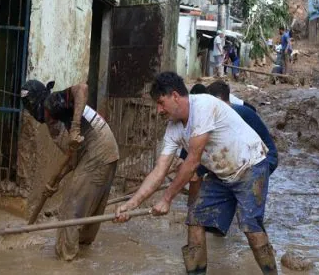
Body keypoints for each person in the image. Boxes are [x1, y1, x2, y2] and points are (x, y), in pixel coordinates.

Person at [114, 72, 277, 275]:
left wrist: (166, 199)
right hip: (221, 174)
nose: (158, 110)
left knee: (251, 228)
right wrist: (132, 204)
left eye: (160, 103)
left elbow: (192, 163)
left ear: (175, 96)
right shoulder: (173, 129)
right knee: (195, 219)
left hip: (251, 165)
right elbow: (159, 170)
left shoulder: (203, 106)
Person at [21, 80, 119, 261]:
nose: (29, 111)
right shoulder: (56, 116)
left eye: (29, 106)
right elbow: (73, 159)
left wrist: (75, 128)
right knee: (89, 208)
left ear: (35, 102)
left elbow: (81, 88)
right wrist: (55, 181)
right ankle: (83, 254)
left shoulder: (51, 102)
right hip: (106, 150)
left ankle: (65, 263)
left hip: (97, 148)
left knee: (69, 207)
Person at [207, 80, 278, 174]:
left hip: (265, 159)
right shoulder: (229, 112)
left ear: (218, 99)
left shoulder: (236, 113)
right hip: (252, 157)